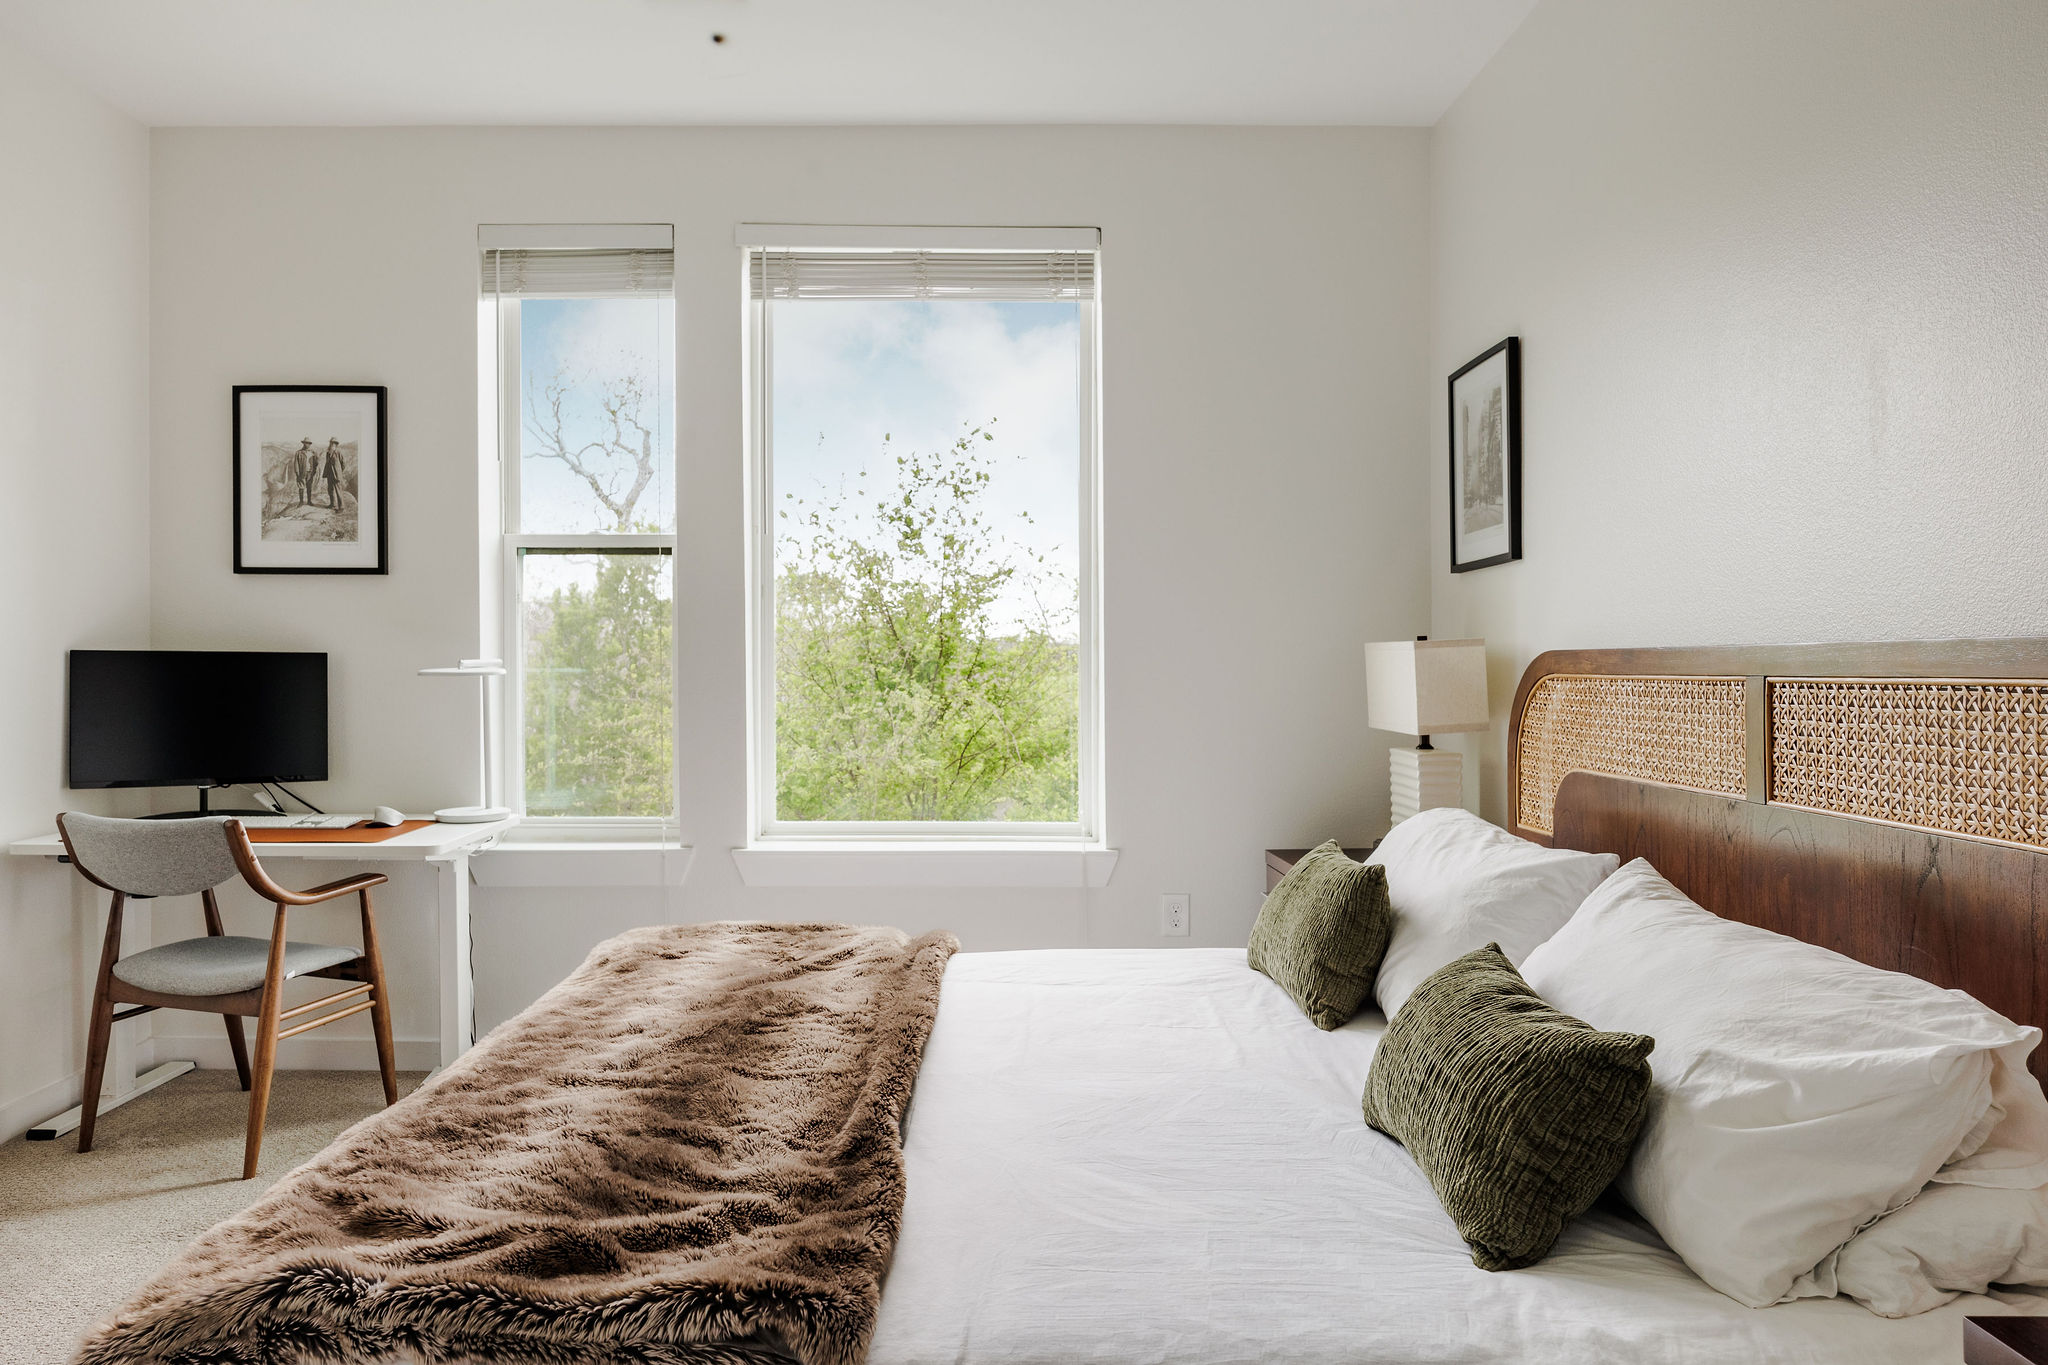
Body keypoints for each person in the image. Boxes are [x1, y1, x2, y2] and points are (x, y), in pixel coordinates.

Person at [321, 438, 344, 510]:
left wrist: (339, 472)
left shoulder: (338, 453)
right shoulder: (328, 453)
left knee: (338, 491)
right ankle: (333, 504)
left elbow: (343, 464)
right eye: (331, 443)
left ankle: (341, 507)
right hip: (330, 475)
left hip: (336, 475)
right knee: (330, 490)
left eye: (333, 443)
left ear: (336, 445)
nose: (331, 445)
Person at [292, 438, 316, 506]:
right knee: (301, 487)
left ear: (310, 444)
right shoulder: (299, 453)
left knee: (309, 487)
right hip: (302, 473)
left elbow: (316, 463)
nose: (307, 445)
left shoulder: (312, 453)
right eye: (306, 443)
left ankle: (309, 501)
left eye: (308, 443)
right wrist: (297, 473)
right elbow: (296, 463)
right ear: (303, 443)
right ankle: (301, 502)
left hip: (310, 473)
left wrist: (314, 471)